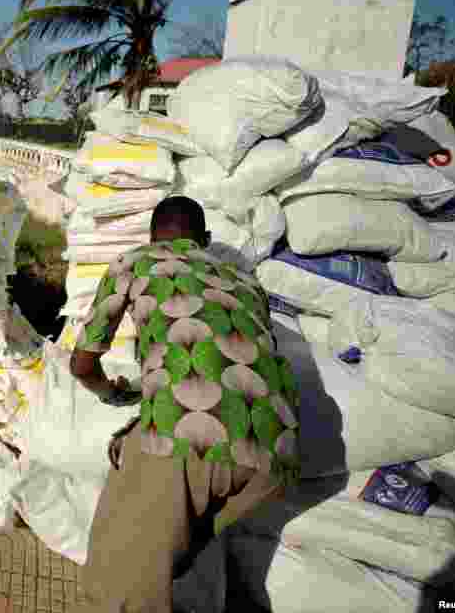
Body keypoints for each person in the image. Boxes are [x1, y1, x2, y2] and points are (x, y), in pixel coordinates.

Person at [69, 195, 298, 613]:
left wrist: (112, 393)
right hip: (275, 453)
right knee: (173, 557)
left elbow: (82, 363)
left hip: (185, 436)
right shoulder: (245, 281)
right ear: (204, 240)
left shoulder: (135, 260)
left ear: (153, 237)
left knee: (118, 590)